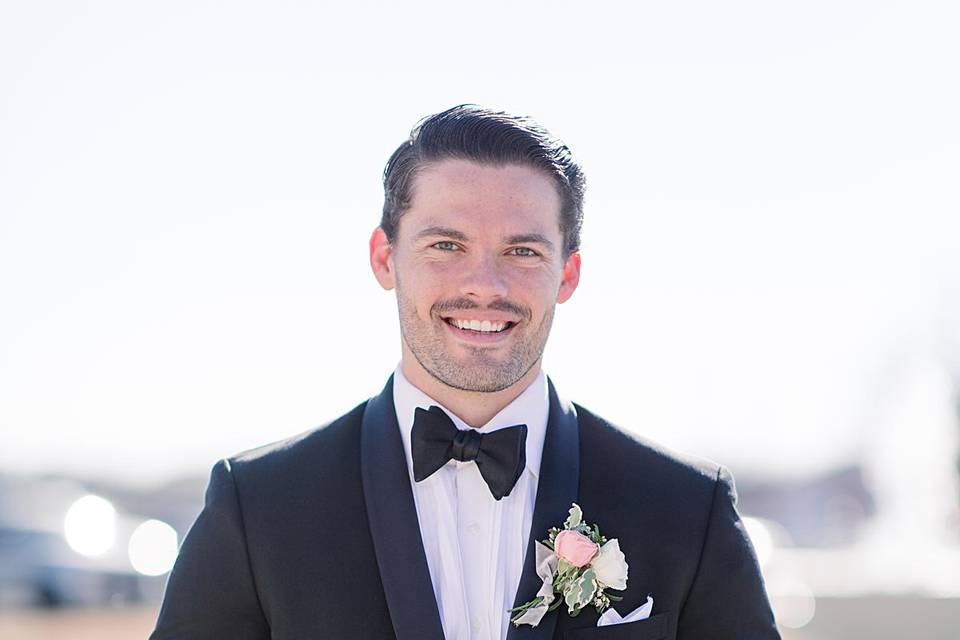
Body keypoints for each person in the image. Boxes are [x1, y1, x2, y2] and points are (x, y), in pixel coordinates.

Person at [151, 105, 781, 640]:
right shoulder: (257, 508)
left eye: (522, 250)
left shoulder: (685, 509)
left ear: (568, 274)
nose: (485, 285)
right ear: (384, 257)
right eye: (446, 246)